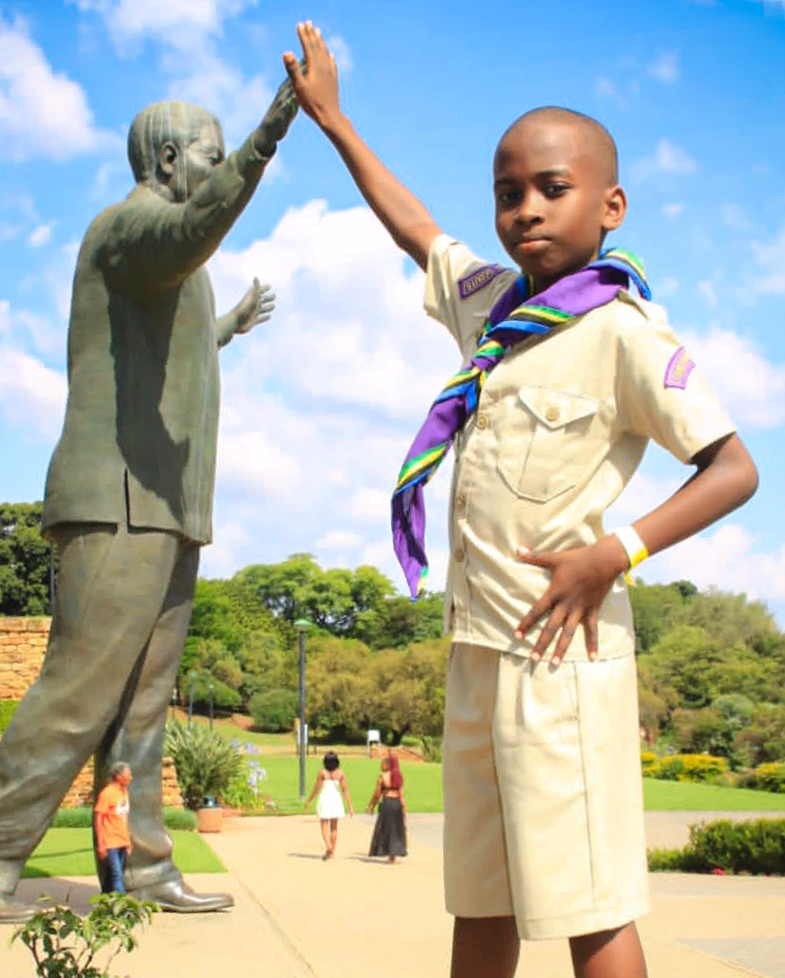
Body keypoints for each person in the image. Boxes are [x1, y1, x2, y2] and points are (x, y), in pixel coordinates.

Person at [283, 23, 759, 978]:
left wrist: (612, 554)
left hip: (562, 661)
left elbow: (734, 468)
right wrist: (333, 120)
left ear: (611, 204)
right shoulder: (497, 311)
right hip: (477, 655)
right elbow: (415, 226)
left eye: (553, 189)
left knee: (588, 907)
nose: (526, 211)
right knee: (482, 901)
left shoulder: (624, 334)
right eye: (509, 194)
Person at [0, 76, 301, 924]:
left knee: (142, 706)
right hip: (117, 504)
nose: (215, 172)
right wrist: (272, 130)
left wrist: (226, 329)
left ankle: (140, 867)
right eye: (209, 157)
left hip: (168, 509)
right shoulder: (130, 227)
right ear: (170, 160)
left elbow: (154, 347)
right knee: (81, 691)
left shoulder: (163, 264)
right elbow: (191, 227)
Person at [304, 751, 354, 860]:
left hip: (325, 799)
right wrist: (350, 806)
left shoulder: (322, 773)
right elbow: (345, 790)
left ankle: (328, 846)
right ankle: (332, 853)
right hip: (336, 800)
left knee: (324, 825)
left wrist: (309, 800)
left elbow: (316, 788)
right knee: (334, 827)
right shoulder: (340, 773)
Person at [94, 762, 132, 894]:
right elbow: (99, 818)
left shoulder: (124, 792)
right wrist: (101, 844)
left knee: (112, 875)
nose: (130, 778)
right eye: (127, 775)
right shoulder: (107, 793)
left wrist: (127, 842)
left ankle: (105, 900)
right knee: (117, 875)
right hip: (110, 842)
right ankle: (124, 907)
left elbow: (124, 818)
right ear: (118, 776)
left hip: (121, 840)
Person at [366, 754, 408, 863]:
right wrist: (404, 810)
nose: (381, 765)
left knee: (386, 828)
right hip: (397, 803)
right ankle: (393, 854)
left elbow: (377, 794)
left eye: (383, 763)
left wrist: (371, 805)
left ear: (388, 765)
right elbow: (401, 794)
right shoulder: (398, 777)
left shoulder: (382, 777)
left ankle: (387, 851)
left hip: (387, 803)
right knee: (396, 829)